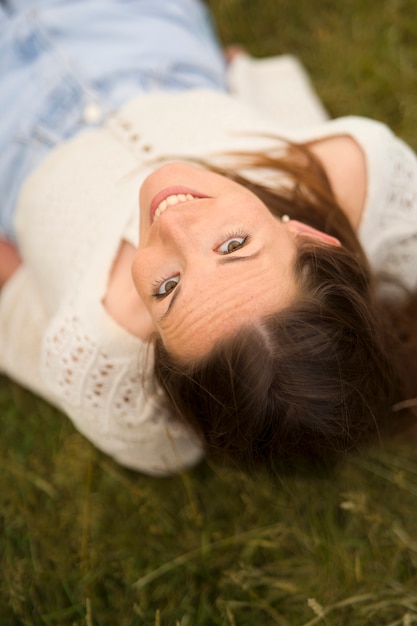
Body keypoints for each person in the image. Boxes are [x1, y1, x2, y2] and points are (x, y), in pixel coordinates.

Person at [1, 0, 416, 476]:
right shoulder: (362, 176)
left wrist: (10, 273)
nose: (173, 226)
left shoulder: (100, 350)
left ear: (156, 356)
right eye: (233, 247)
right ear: (308, 236)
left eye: (169, 288)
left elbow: (29, 328)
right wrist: (254, 81)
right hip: (148, 44)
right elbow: (298, 135)